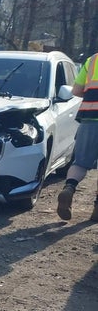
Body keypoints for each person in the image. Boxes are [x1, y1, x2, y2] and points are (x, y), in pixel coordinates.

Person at [57, 51, 98, 221]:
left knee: (80, 162)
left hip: (89, 116)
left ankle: (69, 188)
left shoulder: (93, 59)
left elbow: (77, 90)